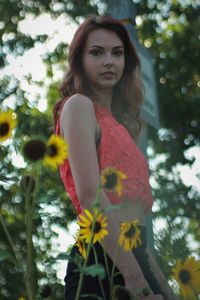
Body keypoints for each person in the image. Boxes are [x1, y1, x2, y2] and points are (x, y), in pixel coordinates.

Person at [53, 15, 179, 300]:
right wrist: (135, 283)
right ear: (79, 60)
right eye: (97, 52)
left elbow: (139, 226)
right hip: (100, 259)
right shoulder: (79, 106)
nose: (109, 61)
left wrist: (162, 286)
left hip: (137, 256)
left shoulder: (124, 128)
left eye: (117, 53)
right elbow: (90, 197)